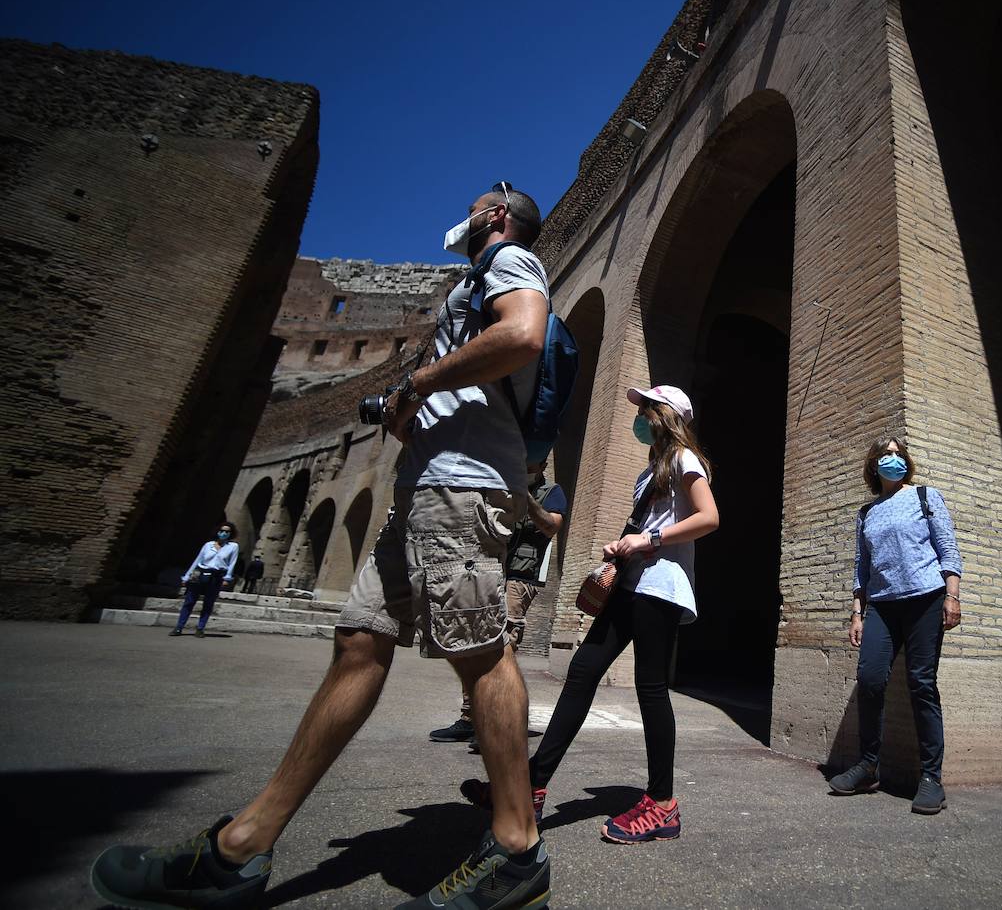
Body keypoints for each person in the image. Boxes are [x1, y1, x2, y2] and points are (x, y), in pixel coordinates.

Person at [92, 183, 555, 910]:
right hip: (424, 489)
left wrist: (422, 380)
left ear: (495, 215)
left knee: (479, 650)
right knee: (359, 641)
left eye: (470, 208)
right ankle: (242, 848)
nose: (459, 219)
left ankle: (517, 850)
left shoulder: (509, 261)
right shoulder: (470, 283)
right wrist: (412, 412)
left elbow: (524, 334)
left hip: (462, 489)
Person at [462, 385, 718, 843]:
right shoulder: (650, 469)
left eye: (645, 409)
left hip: (660, 587)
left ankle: (662, 805)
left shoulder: (684, 458)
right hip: (630, 582)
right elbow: (647, 524)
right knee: (582, 672)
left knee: (651, 689)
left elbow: (709, 517)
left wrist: (650, 541)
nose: (638, 416)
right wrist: (622, 545)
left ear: (665, 415)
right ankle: (532, 785)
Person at [829, 438, 963, 814]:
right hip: (882, 607)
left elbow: (947, 547)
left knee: (921, 683)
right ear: (874, 465)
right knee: (870, 679)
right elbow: (862, 566)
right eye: (885, 454)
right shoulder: (867, 512)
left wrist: (952, 595)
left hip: (926, 598)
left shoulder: (925, 496)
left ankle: (931, 778)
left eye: (898, 453)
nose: (893, 458)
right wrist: (857, 612)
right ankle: (869, 765)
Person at [431, 458, 567, 744]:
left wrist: (526, 499)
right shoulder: (498, 487)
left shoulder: (552, 492)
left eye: (532, 462)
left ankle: (494, 722)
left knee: (504, 643)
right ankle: (470, 717)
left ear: (542, 464)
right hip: (490, 569)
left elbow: (551, 526)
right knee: (476, 640)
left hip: (521, 576)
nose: (527, 466)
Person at [171, 522, 240, 638]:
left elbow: (232, 562)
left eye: (227, 531)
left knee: (208, 603)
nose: (224, 533)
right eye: (222, 531)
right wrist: (187, 576)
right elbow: (198, 560)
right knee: (189, 601)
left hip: (216, 575)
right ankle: (179, 627)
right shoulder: (208, 545)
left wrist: (227, 577)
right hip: (200, 573)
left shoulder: (233, 547)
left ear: (231, 534)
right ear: (217, 532)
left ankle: (200, 628)